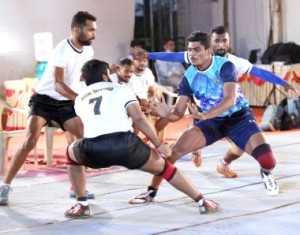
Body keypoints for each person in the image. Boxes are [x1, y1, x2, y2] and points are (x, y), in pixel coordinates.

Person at [129, 30, 281, 205]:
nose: (191, 54)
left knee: (268, 161)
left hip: (238, 118)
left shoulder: (225, 66)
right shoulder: (188, 77)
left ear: (208, 51)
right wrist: (164, 113)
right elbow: (177, 113)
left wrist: (204, 114)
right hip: (210, 122)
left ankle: (265, 172)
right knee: (172, 153)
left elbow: (230, 100)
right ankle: (151, 191)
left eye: (196, 50)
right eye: (189, 50)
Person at [64, 59, 220, 218]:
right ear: (105, 76)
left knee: (71, 152)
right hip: (126, 146)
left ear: (84, 78)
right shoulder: (120, 89)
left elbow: (87, 125)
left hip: (94, 148)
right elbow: (139, 119)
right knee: (166, 169)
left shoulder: (79, 99)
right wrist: (159, 144)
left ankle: (82, 205)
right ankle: (202, 202)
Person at [0, 11, 97, 205]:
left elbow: (80, 77)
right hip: (44, 100)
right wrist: (79, 99)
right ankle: (5, 186)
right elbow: (58, 84)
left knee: (81, 141)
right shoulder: (62, 49)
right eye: (91, 30)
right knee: (30, 141)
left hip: (66, 103)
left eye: (95, 30)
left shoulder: (89, 52)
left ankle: (76, 187)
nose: (94, 34)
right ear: (77, 30)